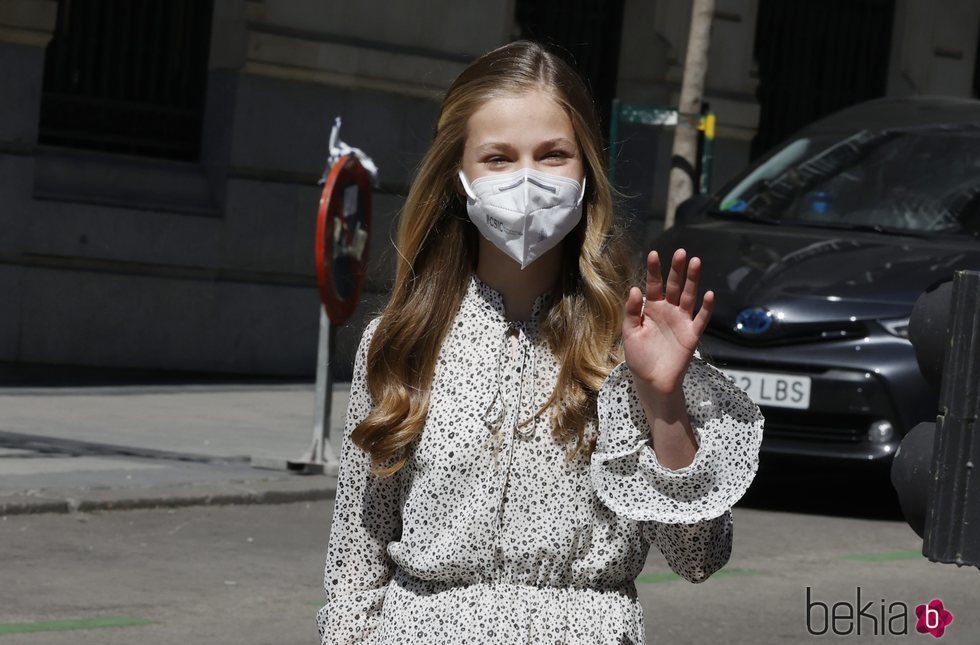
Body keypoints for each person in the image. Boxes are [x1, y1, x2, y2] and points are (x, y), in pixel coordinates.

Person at [316, 40, 764, 644]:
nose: (526, 179)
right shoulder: (401, 341)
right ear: (459, 178)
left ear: (586, 173)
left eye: (553, 155)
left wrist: (664, 403)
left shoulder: (629, 341)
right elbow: (354, 565)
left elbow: (700, 557)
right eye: (498, 158)